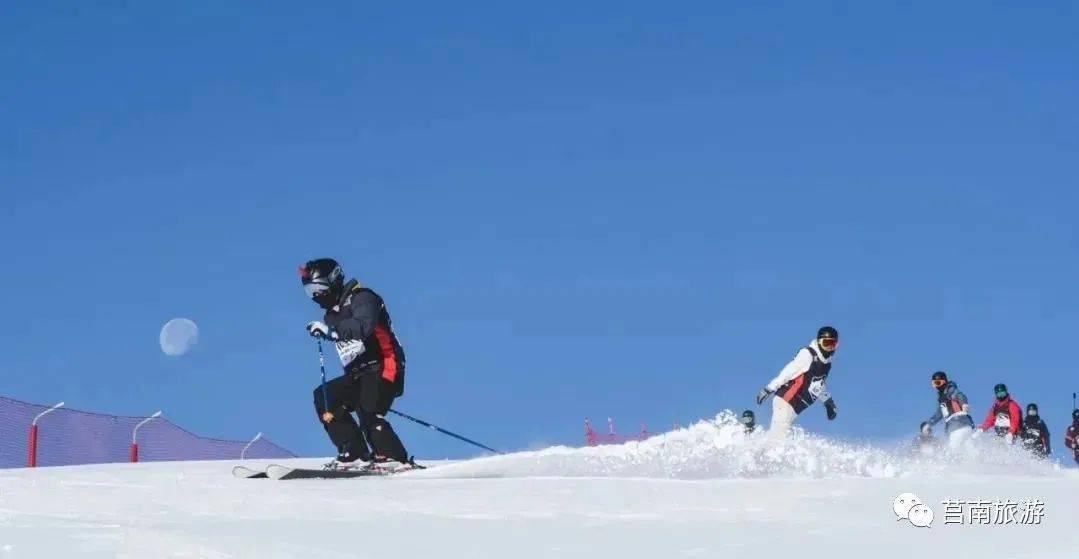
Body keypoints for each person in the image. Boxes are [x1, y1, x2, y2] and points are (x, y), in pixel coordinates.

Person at [299, 258, 411, 468]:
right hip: (357, 375)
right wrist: (330, 329)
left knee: (367, 409)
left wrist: (331, 332)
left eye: (318, 288)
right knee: (326, 397)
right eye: (309, 291)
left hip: (384, 366)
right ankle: (354, 451)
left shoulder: (364, 297)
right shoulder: (332, 315)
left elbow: (363, 325)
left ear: (333, 280)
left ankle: (392, 457)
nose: (315, 296)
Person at [755, 326, 840, 441]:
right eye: (826, 343)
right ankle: (759, 454)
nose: (829, 348)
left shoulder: (826, 364)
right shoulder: (808, 354)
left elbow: (817, 385)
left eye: (833, 344)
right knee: (778, 439)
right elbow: (788, 372)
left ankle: (755, 446)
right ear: (819, 342)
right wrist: (769, 388)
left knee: (778, 435)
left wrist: (828, 402)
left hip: (795, 407)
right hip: (786, 400)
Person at [924, 372, 975, 449]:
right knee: (969, 449)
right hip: (964, 427)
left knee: (953, 451)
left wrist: (964, 404)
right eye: (934, 384)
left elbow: (960, 395)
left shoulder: (951, 390)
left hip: (957, 426)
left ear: (944, 382)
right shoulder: (942, 398)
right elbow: (939, 413)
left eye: (938, 383)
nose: (936, 387)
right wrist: (929, 424)